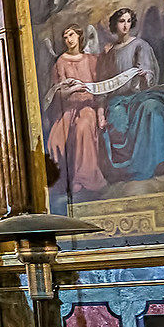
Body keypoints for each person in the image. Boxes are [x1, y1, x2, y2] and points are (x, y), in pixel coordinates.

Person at [96, 8, 164, 184]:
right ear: (115, 25)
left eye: (128, 21)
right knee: (118, 123)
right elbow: (102, 84)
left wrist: (145, 76)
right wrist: (100, 113)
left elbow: (150, 73)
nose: (125, 25)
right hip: (117, 100)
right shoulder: (108, 52)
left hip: (140, 96)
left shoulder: (140, 45)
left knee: (153, 108)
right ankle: (126, 171)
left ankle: (159, 162)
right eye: (121, 21)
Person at [44, 23, 108, 200]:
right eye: (65, 37)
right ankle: (61, 183)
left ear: (79, 36)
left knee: (83, 128)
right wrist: (73, 89)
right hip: (68, 109)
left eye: (71, 35)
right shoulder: (61, 62)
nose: (68, 39)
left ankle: (85, 179)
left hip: (88, 107)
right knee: (55, 140)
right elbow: (58, 92)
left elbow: (100, 89)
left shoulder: (91, 60)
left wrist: (101, 114)